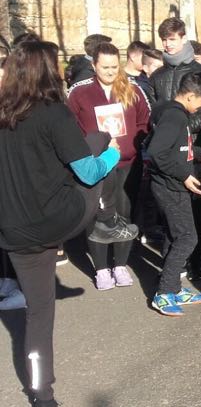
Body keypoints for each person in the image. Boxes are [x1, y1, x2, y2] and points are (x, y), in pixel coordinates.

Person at [0, 41, 122, 407]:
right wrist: (114, 154)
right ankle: (106, 220)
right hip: (59, 219)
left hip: (14, 231)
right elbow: (88, 173)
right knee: (99, 147)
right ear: (50, 71)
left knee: (37, 317)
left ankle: (43, 400)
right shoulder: (55, 113)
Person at [67, 42, 150, 290]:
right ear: (94, 65)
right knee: (98, 216)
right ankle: (102, 269)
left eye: (115, 67)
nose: (111, 72)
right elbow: (69, 128)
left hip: (127, 164)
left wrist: (135, 146)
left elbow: (145, 122)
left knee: (124, 214)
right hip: (96, 164)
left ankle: (121, 265)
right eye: (105, 67)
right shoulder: (79, 92)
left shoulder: (133, 89)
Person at [146, 72, 201, 316]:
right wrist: (185, 176)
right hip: (170, 187)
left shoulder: (175, 113)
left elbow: (181, 145)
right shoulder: (174, 116)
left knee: (174, 235)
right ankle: (164, 292)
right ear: (189, 96)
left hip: (172, 185)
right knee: (188, 238)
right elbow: (157, 152)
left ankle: (173, 287)